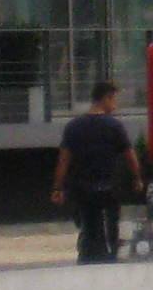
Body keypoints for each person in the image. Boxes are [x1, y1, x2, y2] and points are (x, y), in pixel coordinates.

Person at [52, 82, 141, 265]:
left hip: (81, 187)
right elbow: (130, 156)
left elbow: (64, 160)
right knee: (110, 225)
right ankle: (109, 255)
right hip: (108, 186)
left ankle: (87, 254)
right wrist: (137, 178)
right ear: (106, 98)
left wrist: (58, 187)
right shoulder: (114, 126)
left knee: (88, 223)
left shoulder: (73, 126)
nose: (115, 105)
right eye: (114, 100)